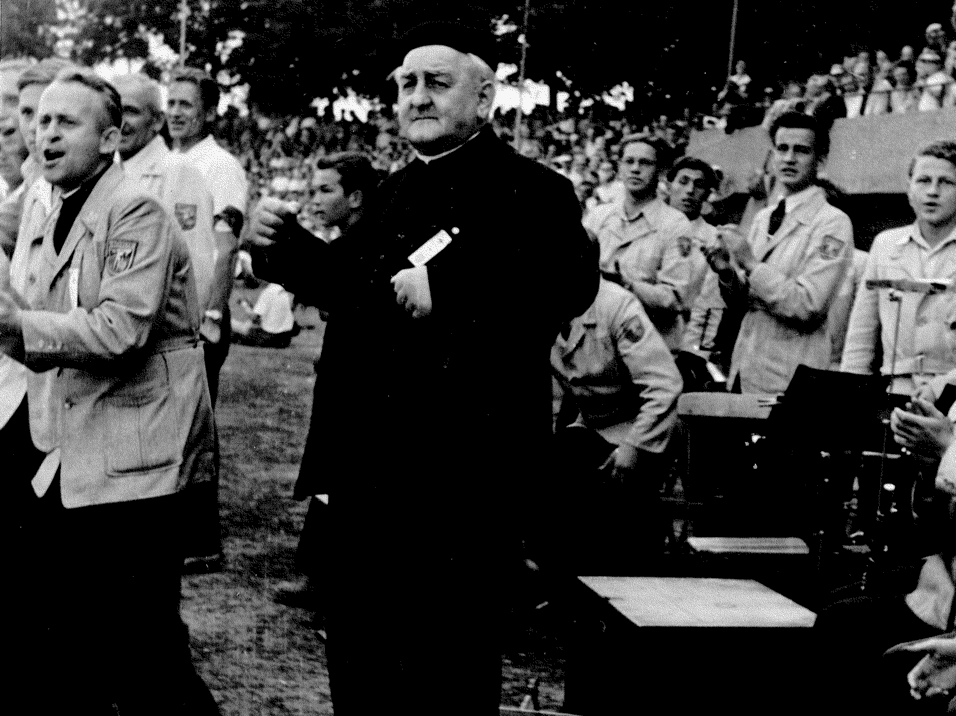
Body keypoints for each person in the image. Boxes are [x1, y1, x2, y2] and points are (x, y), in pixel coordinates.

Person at [249, 21, 597, 714]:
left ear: (485, 97)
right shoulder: (396, 189)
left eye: (436, 83)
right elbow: (351, 285)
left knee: (447, 667)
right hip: (368, 466)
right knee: (362, 659)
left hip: (462, 476)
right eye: (406, 84)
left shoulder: (535, 190)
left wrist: (454, 291)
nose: (417, 97)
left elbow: (569, 286)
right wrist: (280, 246)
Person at [0, 67, 218, 714]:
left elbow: (121, 329)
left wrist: (12, 327)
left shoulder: (136, 210)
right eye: (41, 120)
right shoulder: (47, 201)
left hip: (136, 457)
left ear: (110, 138)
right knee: (61, 630)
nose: (45, 134)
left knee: (141, 645)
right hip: (72, 447)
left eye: (66, 122)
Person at [252, 151, 380, 613]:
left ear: (357, 197)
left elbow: (329, 274)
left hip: (369, 384)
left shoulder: (372, 240)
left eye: (326, 190)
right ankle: (321, 574)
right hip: (345, 375)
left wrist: (282, 235)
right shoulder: (354, 239)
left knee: (348, 476)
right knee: (332, 471)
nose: (315, 199)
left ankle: (334, 581)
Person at [111, 71, 226, 572]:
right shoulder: (110, 167)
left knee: (169, 458)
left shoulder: (180, 173)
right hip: (122, 331)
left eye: (131, 111)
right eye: (114, 110)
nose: (120, 121)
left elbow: (196, 264)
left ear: (156, 121)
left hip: (160, 338)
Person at [703, 111, 852, 395]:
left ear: (820, 159)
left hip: (791, 379)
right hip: (745, 370)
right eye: (782, 149)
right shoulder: (764, 217)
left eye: (801, 150)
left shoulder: (833, 222)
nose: (789, 158)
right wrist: (727, 274)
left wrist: (750, 263)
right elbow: (745, 302)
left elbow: (808, 306)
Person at [550, 277, 682, 571]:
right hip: (589, 427)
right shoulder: (539, 308)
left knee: (618, 525)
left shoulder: (616, 305)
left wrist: (632, 448)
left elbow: (664, 386)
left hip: (642, 427)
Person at [841, 141, 956, 395]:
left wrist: (940, 387)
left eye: (946, 182)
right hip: (896, 390)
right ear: (909, 189)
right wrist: (850, 395)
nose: (933, 191)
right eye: (923, 181)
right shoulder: (885, 245)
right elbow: (861, 337)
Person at [168, 66, 247, 405]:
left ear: (210, 112)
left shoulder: (220, 165)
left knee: (194, 422)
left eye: (185, 104)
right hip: (167, 313)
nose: (175, 112)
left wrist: (212, 316)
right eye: (171, 103)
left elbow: (226, 248)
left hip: (200, 316)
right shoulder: (167, 162)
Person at [584, 135, 691, 350]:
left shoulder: (675, 224)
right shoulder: (598, 216)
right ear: (619, 168)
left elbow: (675, 299)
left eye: (645, 163)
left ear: (660, 171)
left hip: (649, 342)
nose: (635, 169)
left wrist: (627, 285)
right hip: (598, 340)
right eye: (629, 161)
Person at [665, 156, 726, 358]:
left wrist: (695, 353)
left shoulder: (712, 239)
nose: (690, 190)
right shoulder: (651, 226)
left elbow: (711, 304)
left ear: (707, 193)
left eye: (699, 185)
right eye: (683, 182)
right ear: (669, 185)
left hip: (679, 343)